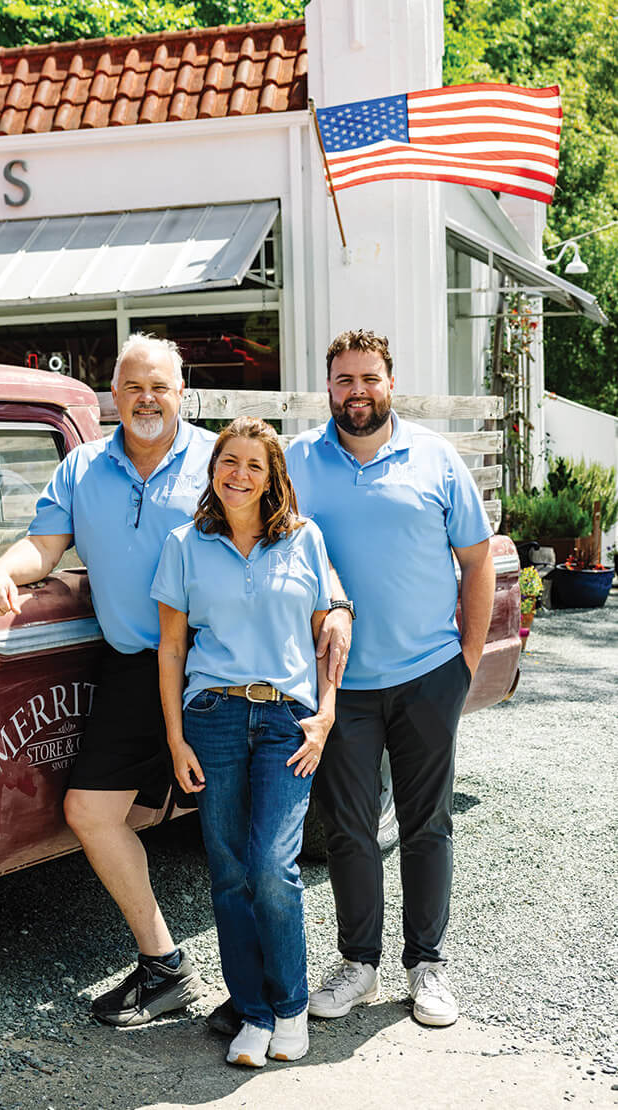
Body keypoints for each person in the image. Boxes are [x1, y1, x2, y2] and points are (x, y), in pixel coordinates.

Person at [0, 334, 350, 1026]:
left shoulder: (220, 460)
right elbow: (45, 545)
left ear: (183, 395)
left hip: (222, 671)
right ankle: (165, 965)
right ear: (112, 397)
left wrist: (335, 604)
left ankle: (267, 1001)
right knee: (92, 812)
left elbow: (285, 529)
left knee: (246, 849)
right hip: (134, 669)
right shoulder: (83, 467)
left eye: (161, 388)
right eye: (133, 388)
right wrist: (1, 570)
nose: (147, 400)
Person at [285, 329, 495, 1028]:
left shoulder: (435, 459)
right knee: (347, 828)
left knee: (426, 824)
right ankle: (359, 965)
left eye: (368, 378)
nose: (356, 392)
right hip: (339, 685)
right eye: (343, 380)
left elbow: (478, 560)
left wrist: (465, 663)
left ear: (390, 383)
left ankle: (426, 966)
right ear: (329, 388)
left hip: (428, 675)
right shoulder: (298, 464)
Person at [153, 417, 336, 1068]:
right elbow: (172, 646)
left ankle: (290, 1005)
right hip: (213, 717)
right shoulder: (184, 544)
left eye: (254, 465)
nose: (238, 474)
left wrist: (326, 715)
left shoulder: (304, 541)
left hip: (287, 720)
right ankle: (253, 1013)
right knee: (228, 872)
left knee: (271, 868)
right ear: (214, 470)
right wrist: (175, 738)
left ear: (272, 478)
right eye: (229, 461)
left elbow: (328, 633)